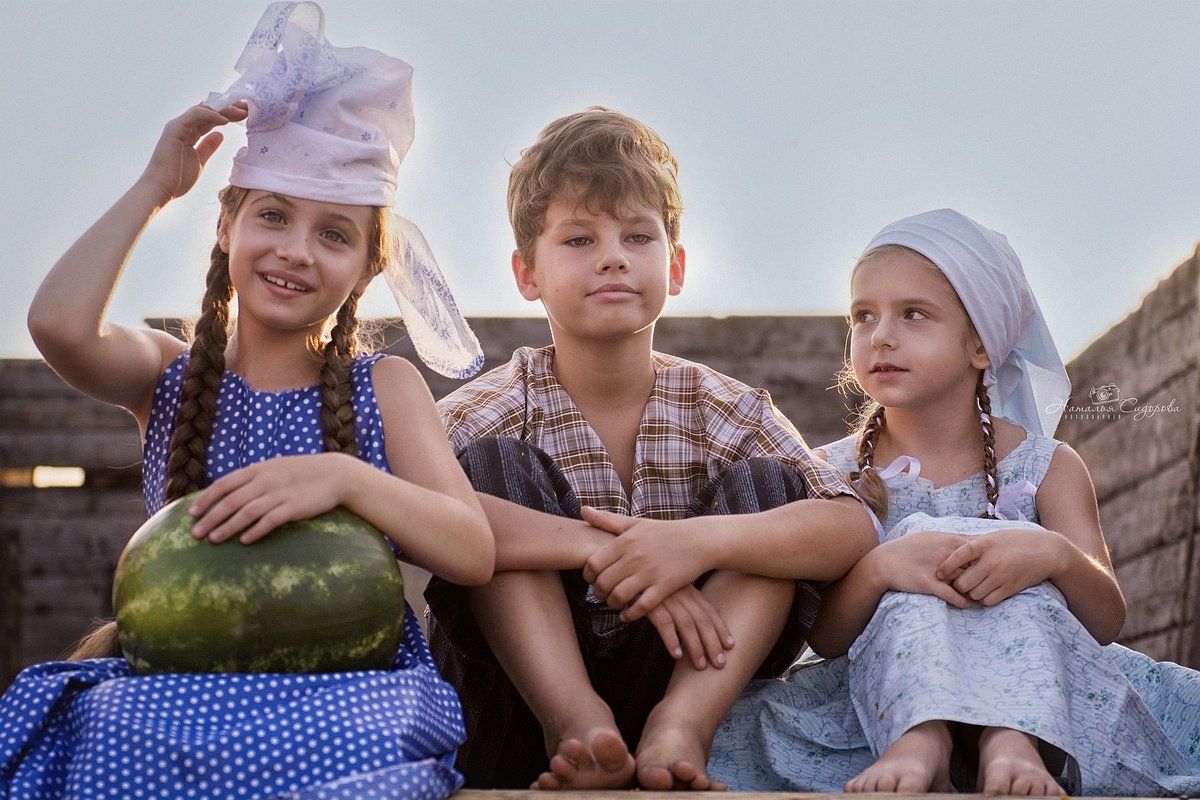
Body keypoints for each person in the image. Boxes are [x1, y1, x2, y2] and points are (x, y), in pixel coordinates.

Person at [2, 4, 493, 799]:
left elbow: (471, 548)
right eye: (272, 215)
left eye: (335, 234)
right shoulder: (166, 373)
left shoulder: (384, 386)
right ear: (226, 225)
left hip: (340, 693)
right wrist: (156, 185)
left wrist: (345, 481)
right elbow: (56, 323)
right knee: (100, 739)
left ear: (367, 266)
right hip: (179, 692)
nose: (296, 250)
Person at [422, 107, 876, 791]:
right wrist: (596, 547)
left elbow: (851, 525)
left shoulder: (726, 407)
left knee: (772, 497)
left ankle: (680, 728)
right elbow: (407, 506)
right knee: (485, 476)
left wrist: (698, 546)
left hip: (683, 678)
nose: (612, 256)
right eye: (578, 239)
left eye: (638, 236)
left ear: (676, 264)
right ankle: (575, 721)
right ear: (527, 274)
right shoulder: (497, 405)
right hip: (513, 712)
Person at [708, 208, 1200, 796]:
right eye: (863, 316)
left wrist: (1052, 557)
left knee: (1013, 553)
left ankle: (1010, 741)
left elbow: (1106, 619)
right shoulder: (827, 474)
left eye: (914, 314)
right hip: (876, 698)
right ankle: (922, 738)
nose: (881, 335)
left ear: (981, 347)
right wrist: (879, 569)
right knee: (910, 563)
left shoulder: (1048, 467)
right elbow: (829, 640)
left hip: (1042, 696)